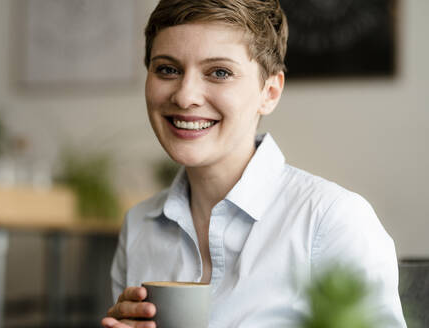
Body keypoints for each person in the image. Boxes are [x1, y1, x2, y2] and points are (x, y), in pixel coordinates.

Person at [102, 0, 407, 327]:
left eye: (219, 72)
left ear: (270, 92)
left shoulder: (332, 222)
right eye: (167, 69)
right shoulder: (139, 226)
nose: (185, 95)